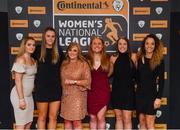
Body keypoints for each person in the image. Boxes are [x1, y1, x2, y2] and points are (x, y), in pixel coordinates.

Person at [32, 27, 64, 129]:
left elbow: (66, 67)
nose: (50, 38)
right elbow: (26, 61)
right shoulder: (37, 49)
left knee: (53, 117)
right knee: (42, 117)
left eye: (53, 36)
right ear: (44, 37)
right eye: (48, 36)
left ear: (55, 38)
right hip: (41, 88)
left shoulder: (58, 51)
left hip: (55, 89)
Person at [136, 34, 165, 129]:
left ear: (155, 45)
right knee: (142, 121)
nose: (149, 46)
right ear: (144, 45)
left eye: (152, 44)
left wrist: (158, 98)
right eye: (147, 43)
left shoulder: (159, 60)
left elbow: (161, 81)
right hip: (140, 95)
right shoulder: (139, 59)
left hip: (152, 95)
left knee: (150, 122)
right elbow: (137, 78)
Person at [60, 42, 91, 129]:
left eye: (75, 50)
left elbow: (88, 81)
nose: (72, 52)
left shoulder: (83, 64)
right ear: (67, 51)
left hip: (78, 96)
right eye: (70, 50)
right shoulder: (64, 64)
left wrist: (74, 81)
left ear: (78, 52)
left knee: (77, 121)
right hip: (66, 95)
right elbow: (61, 81)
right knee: (67, 120)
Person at [109, 37, 136, 129]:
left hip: (129, 92)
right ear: (117, 45)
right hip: (117, 91)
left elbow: (138, 74)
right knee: (119, 118)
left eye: (124, 44)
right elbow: (109, 73)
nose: (122, 46)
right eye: (120, 44)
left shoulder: (133, 56)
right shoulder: (113, 57)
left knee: (127, 118)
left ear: (128, 45)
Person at [10, 37, 37, 130]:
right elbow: (17, 80)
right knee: (21, 125)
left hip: (29, 96)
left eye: (33, 45)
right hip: (19, 96)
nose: (32, 47)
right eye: (29, 44)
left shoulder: (33, 60)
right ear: (24, 46)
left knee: (28, 123)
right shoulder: (21, 60)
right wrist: (21, 99)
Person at [87, 36, 111, 129]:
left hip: (103, 91)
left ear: (102, 46)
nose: (97, 45)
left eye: (99, 43)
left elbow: (109, 73)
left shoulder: (108, 59)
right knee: (93, 117)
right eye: (94, 43)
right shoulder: (86, 59)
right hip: (90, 91)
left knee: (101, 117)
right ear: (91, 46)